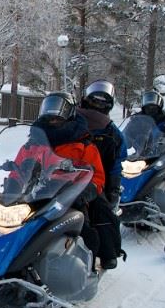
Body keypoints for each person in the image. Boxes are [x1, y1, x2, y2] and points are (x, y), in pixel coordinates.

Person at [26, 92, 107, 260]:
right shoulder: (34, 143)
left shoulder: (84, 146)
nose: (53, 117)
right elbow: (20, 168)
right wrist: (11, 185)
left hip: (70, 197)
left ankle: (88, 262)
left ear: (69, 114)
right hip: (36, 195)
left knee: (84, 226)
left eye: (58, 111)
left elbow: (97, 177)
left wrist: (84, 193)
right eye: (49, 109)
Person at [76, 80, 126, 269]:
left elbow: (117, 161)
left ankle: (107, 252)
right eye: (94, 100)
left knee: (102, 209)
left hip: (96, 179)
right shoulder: (71, 121)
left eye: (102, 102)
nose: (97, 105)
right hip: (62, 174)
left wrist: (113, 187)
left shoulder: (112, 132)